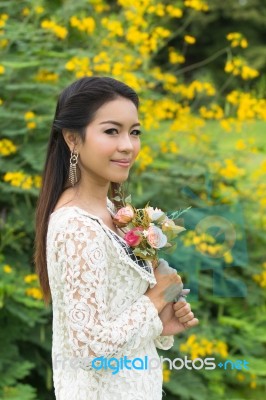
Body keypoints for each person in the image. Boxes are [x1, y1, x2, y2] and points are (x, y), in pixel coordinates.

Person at [34, 76, 199, 400]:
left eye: (134, 132)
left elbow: (114, 319)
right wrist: (155, 300)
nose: (128, 145)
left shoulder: (112, 211)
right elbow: (90, 351)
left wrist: (160, 320)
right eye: (112, 131)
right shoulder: (76, 227)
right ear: (73, 139)